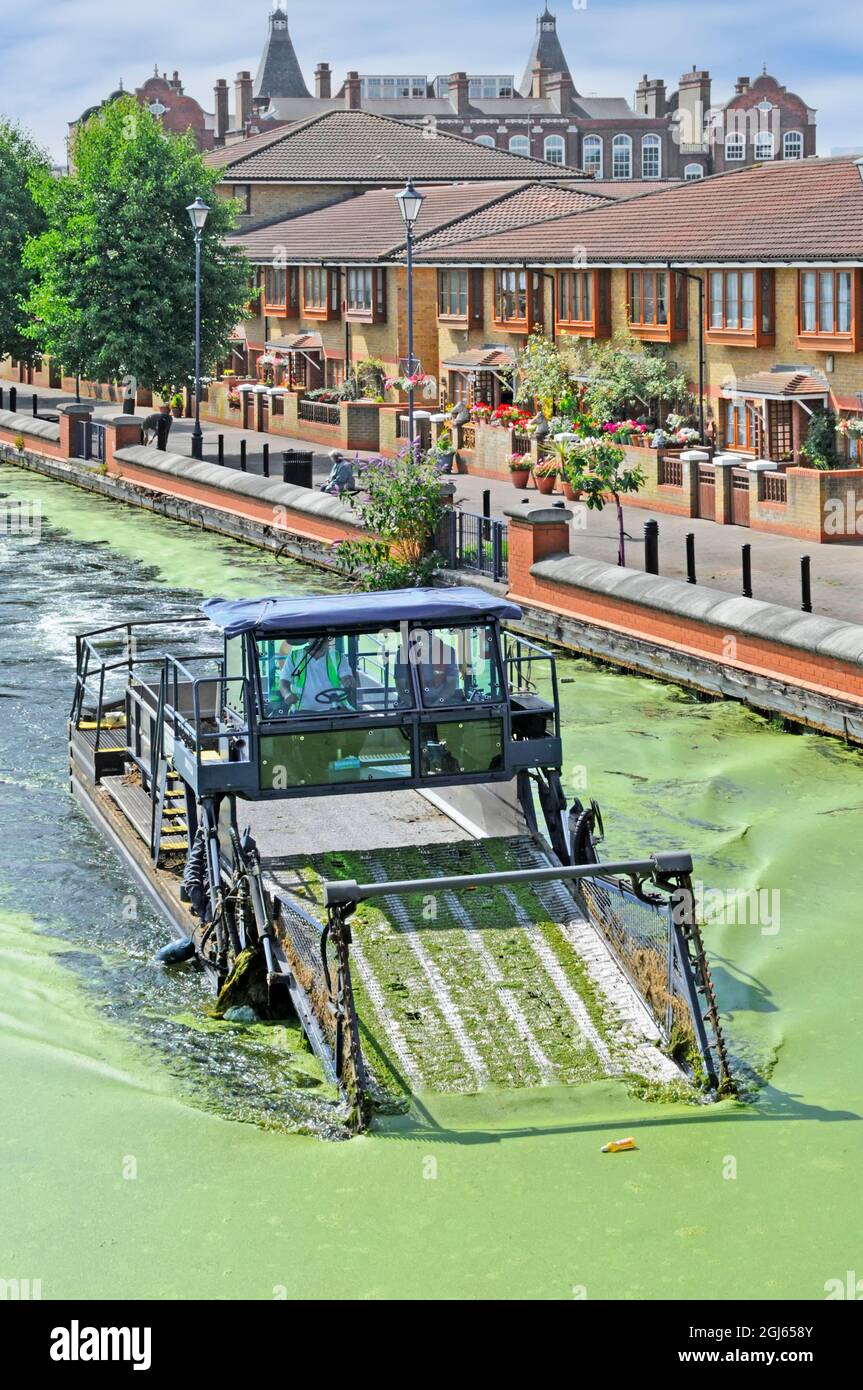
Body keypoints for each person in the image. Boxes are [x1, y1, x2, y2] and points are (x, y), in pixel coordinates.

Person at [278, 637, 356, 713]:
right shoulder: (294, 657)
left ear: (328, 639)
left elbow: (346, 677)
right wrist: (287, 694)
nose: (319, 640)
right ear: (308, 639)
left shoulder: (338, 657)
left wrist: (348, 681)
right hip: (301, 712)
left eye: (322, 637)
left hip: (335, 711)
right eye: (315, 637)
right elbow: (284, 680)